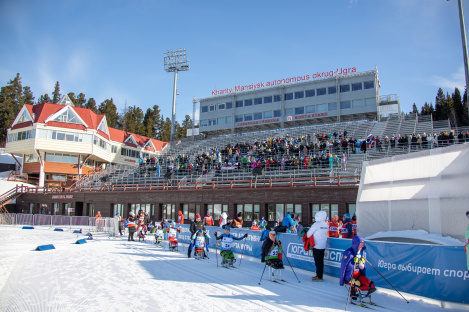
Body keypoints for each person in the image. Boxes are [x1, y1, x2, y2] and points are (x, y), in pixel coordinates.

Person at [339, 235, 376, 300]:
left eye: (362, 244)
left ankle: (354, 290)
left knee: (371, 285)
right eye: (360, 244)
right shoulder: (348, 253)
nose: (361, 246)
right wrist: (342, 281)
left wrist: (360, 263)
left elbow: (363, 268)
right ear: (356, 244)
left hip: (358, 275)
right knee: (358, 283)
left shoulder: (363, 254)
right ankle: (353, 290)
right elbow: (343, 267)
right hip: (349, 276)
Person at [307, 210, 329, 281]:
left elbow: (308, 234)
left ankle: (319, 276)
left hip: (316, 245)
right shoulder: (326, 224)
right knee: (321, 261)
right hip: (323, 245)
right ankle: (319, 275)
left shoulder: (316, 224)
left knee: (317, 261)